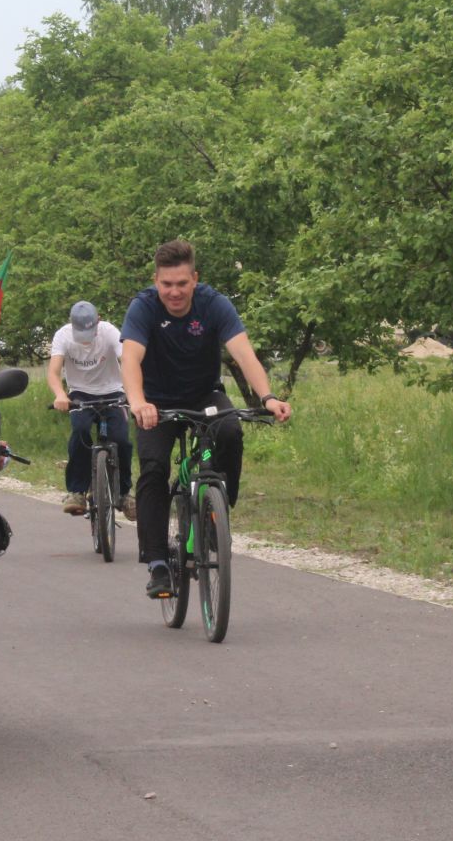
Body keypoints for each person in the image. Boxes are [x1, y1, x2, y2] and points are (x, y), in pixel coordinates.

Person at [122, 240, 293, 599]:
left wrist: (269, 397)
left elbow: (244, 355)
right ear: (156, 281)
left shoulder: (214, 305)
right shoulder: (143, 308)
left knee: (230, 431)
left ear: (195, 279)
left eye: (182, 283)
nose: (174, 292)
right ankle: (156, 564)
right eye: (166, 284)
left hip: (204, 396)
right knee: (153, 468)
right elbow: (131, 360)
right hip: (155, 402)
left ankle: (218, 512)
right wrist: (138, 402)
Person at [49, 300, 135, 520]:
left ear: (98, 322)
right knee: (80, 432)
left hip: (113, 392)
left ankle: (125, 493)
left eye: (89, 331)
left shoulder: (109, 332)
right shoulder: (63, 336)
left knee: (121, 440)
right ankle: (77, 491)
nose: (86, 338)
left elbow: (126, 360)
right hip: (80, 394)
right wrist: (60, 395)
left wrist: (134, 394)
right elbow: (53, 372)